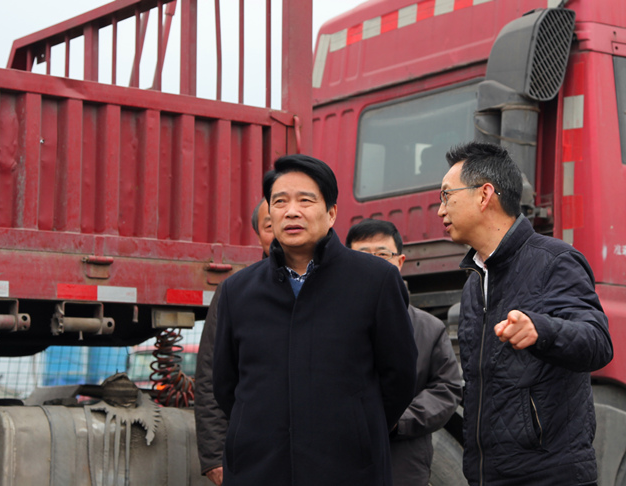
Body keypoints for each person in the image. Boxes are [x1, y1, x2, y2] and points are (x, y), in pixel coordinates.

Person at [213, 154, 418, 486]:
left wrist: (358, 426)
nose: (291, 211)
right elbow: (225, 384)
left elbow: (400, 376)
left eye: (305, 201)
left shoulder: (376, 280)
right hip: (259, 467)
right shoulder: (237, 291)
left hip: (348, 468)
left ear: (331, 212)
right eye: (280, 202)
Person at [437, 141, 613, 486]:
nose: (440, 209)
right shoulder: (474, 282)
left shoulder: (555, 260)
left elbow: (598, 342)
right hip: (487, 476)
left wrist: (542, 330)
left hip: (550, 476)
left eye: (446, 195)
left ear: (484, 194)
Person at [345, 218, 462, 486]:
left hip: (404, 465)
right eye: (362, 255)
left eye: (382, 255)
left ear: (399, 262)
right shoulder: (327, 325)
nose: (373, 263)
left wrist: (398, 421)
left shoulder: (429, 328)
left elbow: (447, 389)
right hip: (343, 462)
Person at [194, 198, 273, 486]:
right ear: (258, 236)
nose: (282, 229)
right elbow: (211, 377)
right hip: (257, 454)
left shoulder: (340, 288)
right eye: (269, 225)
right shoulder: (236, 292)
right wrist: (215, 456)